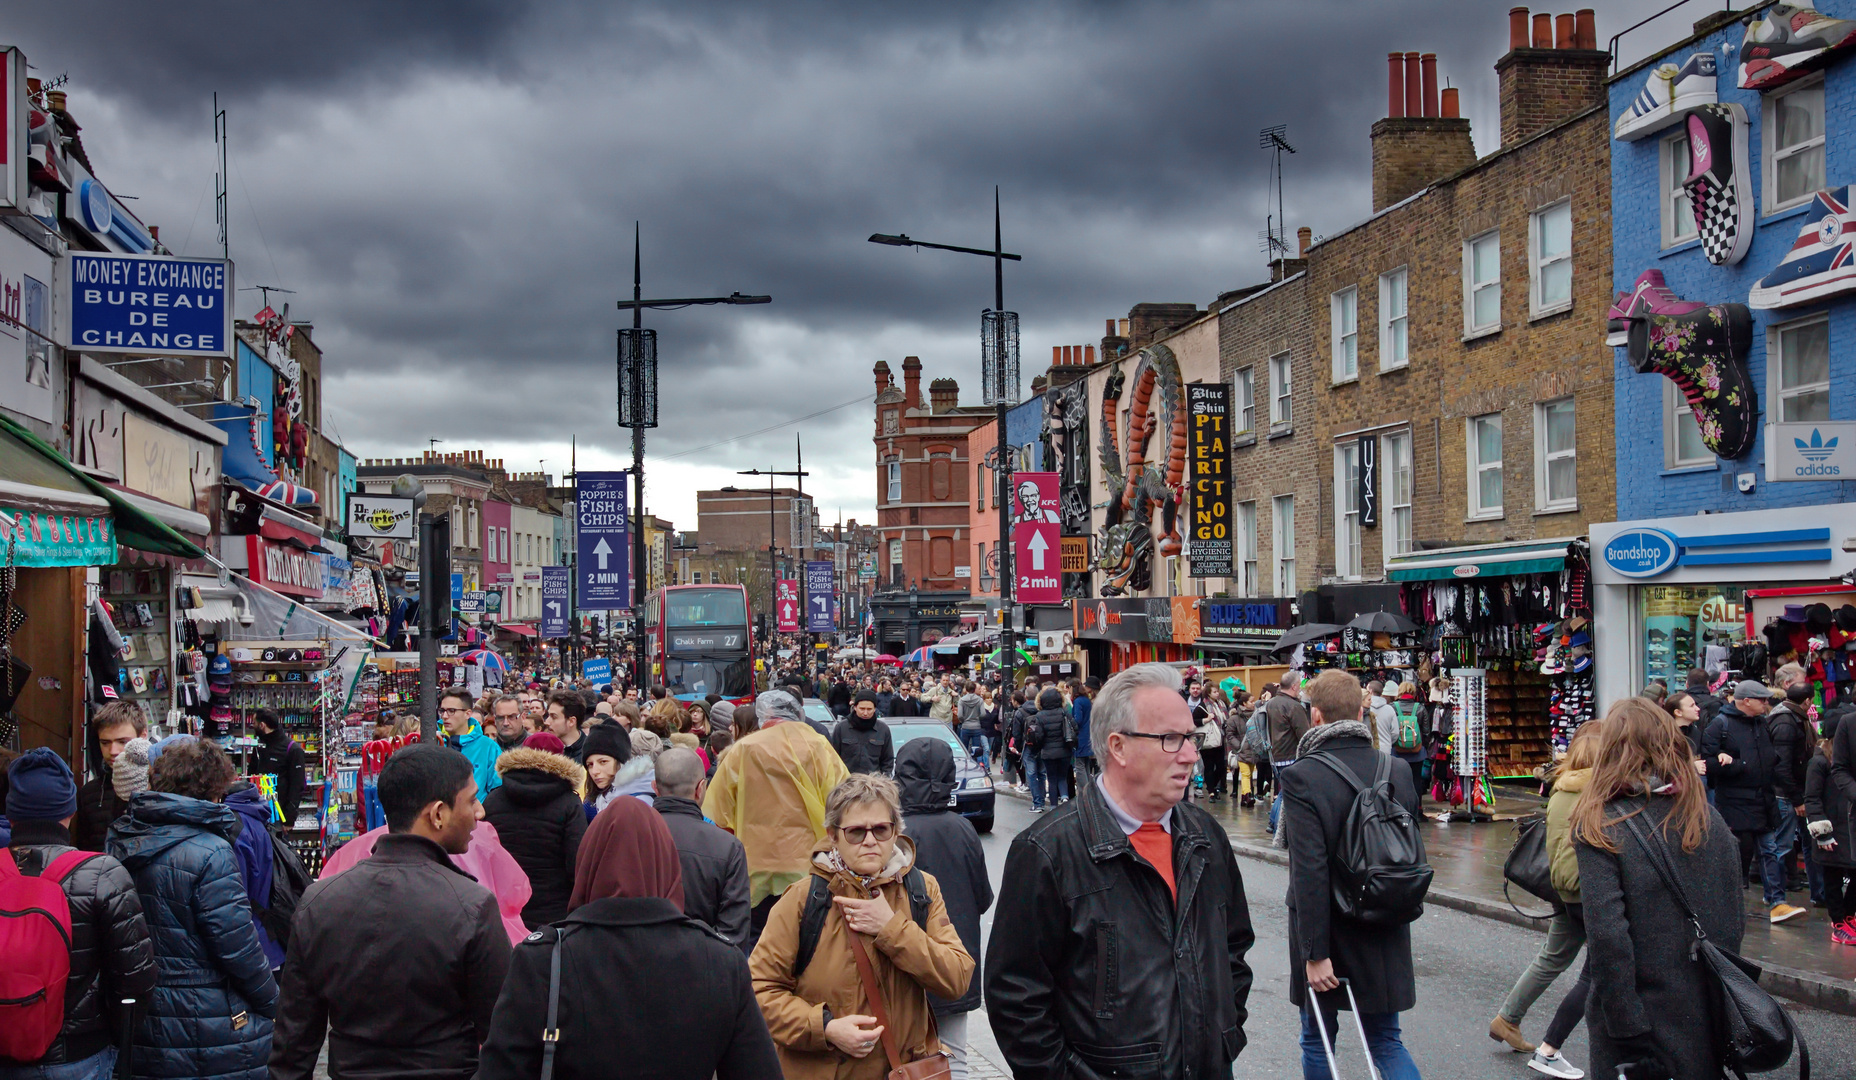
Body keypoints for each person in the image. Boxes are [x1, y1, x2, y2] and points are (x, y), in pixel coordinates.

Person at [987, 663, 1254, 1080]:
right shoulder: (1047, 852)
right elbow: (1016, 999)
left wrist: (1223, 1033)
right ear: (1119, 747)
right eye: (1171, 739)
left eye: (1191, 737)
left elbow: (1233, 948)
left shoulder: (1205, 836)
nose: (1190, 754)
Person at [477, 795, 780, 1080]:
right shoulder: (721, 961)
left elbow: (501, 1070)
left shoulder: (544, 958)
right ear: (667, 864)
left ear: (588, 861)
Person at [269, 744, 513, 1080]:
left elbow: (293, 1043)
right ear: (438, 813)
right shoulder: (471, 905)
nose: (480, 811)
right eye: (471, 800)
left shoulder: (321, 901)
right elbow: (505, 1034)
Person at [751, 774, 974, 1079]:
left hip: (902, 1071)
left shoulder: (922, 890)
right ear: (833, 835)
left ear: (895, 831)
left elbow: (957, 977)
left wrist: (892, 929)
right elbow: (759, 989)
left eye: (881, 829)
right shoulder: (804, 900)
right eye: (856, 832)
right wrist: (825, 1028)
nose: (870, 841)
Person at [1572, 697, 1742, 1080]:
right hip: (1703, 1011)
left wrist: (1627, 1033)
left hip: (1640, 1021)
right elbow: (1732, 921)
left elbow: (1608, 941)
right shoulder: (1707, 817)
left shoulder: (1602, 825)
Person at [1276, 670, 1422, 1080]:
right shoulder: (1396, 769)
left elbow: (1309, 872)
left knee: (1319, 1038)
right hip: (1382, 916)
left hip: (1329, 927)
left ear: (1316, 716)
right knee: (1386, 1042)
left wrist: (1314, 953)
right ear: (1361, 712)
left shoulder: (1303, 775)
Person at [107, 738, 279, 1080]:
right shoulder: (212, 851)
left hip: (142, 1013)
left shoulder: (121, 838)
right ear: (213, 789)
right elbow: (237, 947)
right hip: (207, 1018)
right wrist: (272, 1001)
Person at [1, 748, 156, 1080]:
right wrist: (112, 1039)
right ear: (69, 811)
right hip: (80, 1054)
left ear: (11, 814)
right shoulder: (102, 873)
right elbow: (135, 979)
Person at [1490, 721, 1601, 1078]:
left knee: (1552, 958)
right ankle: (1553, 1045)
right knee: (1603, 968)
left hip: (1563, 889)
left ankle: (1508, 1018)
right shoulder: (1595, 790)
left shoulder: (1561, 786)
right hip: (1588, 892)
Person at [704, 691, 850, 947]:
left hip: (755, 865)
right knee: (806, 940)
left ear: (763, 716)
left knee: (759, 941)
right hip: (808, 863)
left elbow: (717, 810)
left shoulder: (744, 749)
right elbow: (843, 799)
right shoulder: (818, 745)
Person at [895, 738, 992, 1080]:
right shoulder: (964, 828)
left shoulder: (894, 835)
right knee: (955, 1057)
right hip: (956, 962)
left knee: (902, 1058)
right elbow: (983, 898)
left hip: (907, 966)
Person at [1702, 680, 1804, 923]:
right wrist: (1737, 765)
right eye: (1762, 699)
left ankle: (1777, 902)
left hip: (1762, 798)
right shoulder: (1720, 725)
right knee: (1740, 853)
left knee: (1769, 849)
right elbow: (1708, 764)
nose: (1766, 703)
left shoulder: (1761, 723)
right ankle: (1729, 902)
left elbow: (1769, 758)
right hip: (1735, 801)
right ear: (1746, 701)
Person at [482, 736, 589, 929]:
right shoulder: (569, 804)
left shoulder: (493, 800)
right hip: (554, 914)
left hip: (503, 911)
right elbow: (577, 863)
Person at [653, 747, 752, 950]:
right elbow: (733, 935)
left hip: (638, 968)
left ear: (655, 787)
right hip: (705, 967)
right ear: (701, 788)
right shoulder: (728, 847)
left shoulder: (631, 837)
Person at [223, 778, 286, 971]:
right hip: (269, 936)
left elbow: (235, 897)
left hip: (251, 944)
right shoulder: (256, 816)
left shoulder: (234, 826)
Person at [72, 701, 146, 852]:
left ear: (143, 736)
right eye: (105, 743)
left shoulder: (160, 785)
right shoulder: (88, 793)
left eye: (122, 741)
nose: (113, 750)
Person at [1807, 712, 1855, 941]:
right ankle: (1838, 922)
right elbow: (1812, 798)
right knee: (1833, 876)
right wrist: (1822, 833)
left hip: (1848, 827)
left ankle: (1848, 914)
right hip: (1832, 828)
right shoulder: (1819, 762)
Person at [1266, 675, 1311, 832]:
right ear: (1293, 686)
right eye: (1299, 685)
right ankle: (1274, 824)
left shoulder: (1270, 703)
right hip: (1290, 755)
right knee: (1286, 793)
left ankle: (1272, 823)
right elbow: (1305, 735)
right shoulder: (1293, 706)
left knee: (1283, 791)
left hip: (1274, 755)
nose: (1299, 688)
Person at [439, 689, 503, 799]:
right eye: (442, 710)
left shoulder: (488, 747)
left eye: (451, 710)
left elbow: (497, 790)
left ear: (468, 714)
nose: (445, 716)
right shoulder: (435, 743)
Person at [249, 710, 308, 828]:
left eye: (254, 723)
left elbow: (297, 787)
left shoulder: (293, 749)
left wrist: (289, 819)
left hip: (278, 819)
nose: (252, 726)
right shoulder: (259, 747)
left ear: (262, 725)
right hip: (256, 815)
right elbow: (251, 776)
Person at [830, 690, 895, 775]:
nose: (865, 713)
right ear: (855, 707)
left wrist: (883, 781)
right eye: (862, 709)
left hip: (873, 784)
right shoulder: (841, 728)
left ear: (875, 709)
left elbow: (887, 761)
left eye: (869, 709)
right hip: (847, 783)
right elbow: (833, 759)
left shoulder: (883, 730)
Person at [577, 722, 632, 817]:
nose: (594, 771)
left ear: (621, 762)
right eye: (590, 765)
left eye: (603, 762)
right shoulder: (590, 807)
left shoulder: (640, 801)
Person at [1197, 688, 1228, 802]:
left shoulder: (1221, 704)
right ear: (1209, 693)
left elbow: (1225, 719)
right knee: (1209, 766)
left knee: (1221, 767)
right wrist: (1206, 719)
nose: (1217, 693)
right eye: (1214, 691)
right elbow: (1194, 720)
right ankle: (1211, 792)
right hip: (1208, 740)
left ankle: (1213, 786)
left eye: (1217, 691)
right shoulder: (1203, 705)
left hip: (1220, 739)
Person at [546, 690, 591, 765]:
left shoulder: (590, 754)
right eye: (548, 716)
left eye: (553, 717)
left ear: (571, 721)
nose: (547, 722)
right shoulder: (545, 750)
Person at [955, 680, 988, 767]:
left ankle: (965, 765)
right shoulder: (979, 700)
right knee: (976, 749)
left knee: (964, 748)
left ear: (966, 689)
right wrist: (977, 718)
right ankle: (976, 765)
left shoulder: (962, 700)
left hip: (965, 726)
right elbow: (983, 713)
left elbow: (960, 715)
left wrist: (963, 721)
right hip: (976, 726)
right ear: (974, 689)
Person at [1072, 678, 1098, 780]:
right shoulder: (1087, 700)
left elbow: (1078, 719)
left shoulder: (1078, 701)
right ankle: (1089, 788)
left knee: (1079, 765)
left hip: (1081, 736)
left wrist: (1070, 722)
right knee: (1086, 764)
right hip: (1088, 734)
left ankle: (1084, 790)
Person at [1364, 681, 1398, 754]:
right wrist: (1388, 742)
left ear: (1370, 691)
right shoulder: (1390, 709)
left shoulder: (1364, 709)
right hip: (1386, 750)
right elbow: (1395, 733)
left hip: (1368, 749)